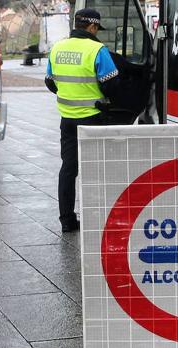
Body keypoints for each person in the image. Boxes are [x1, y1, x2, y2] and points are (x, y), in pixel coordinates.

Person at [45, 8, 120, 233]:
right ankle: (98, 218)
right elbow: (112, 85)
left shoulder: (57, 48)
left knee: (68, 169)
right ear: (92, 27)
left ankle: (67, 219)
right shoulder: (97, 49)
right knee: (97, 169)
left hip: (67, 119)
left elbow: (50, 82)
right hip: (94, 120)